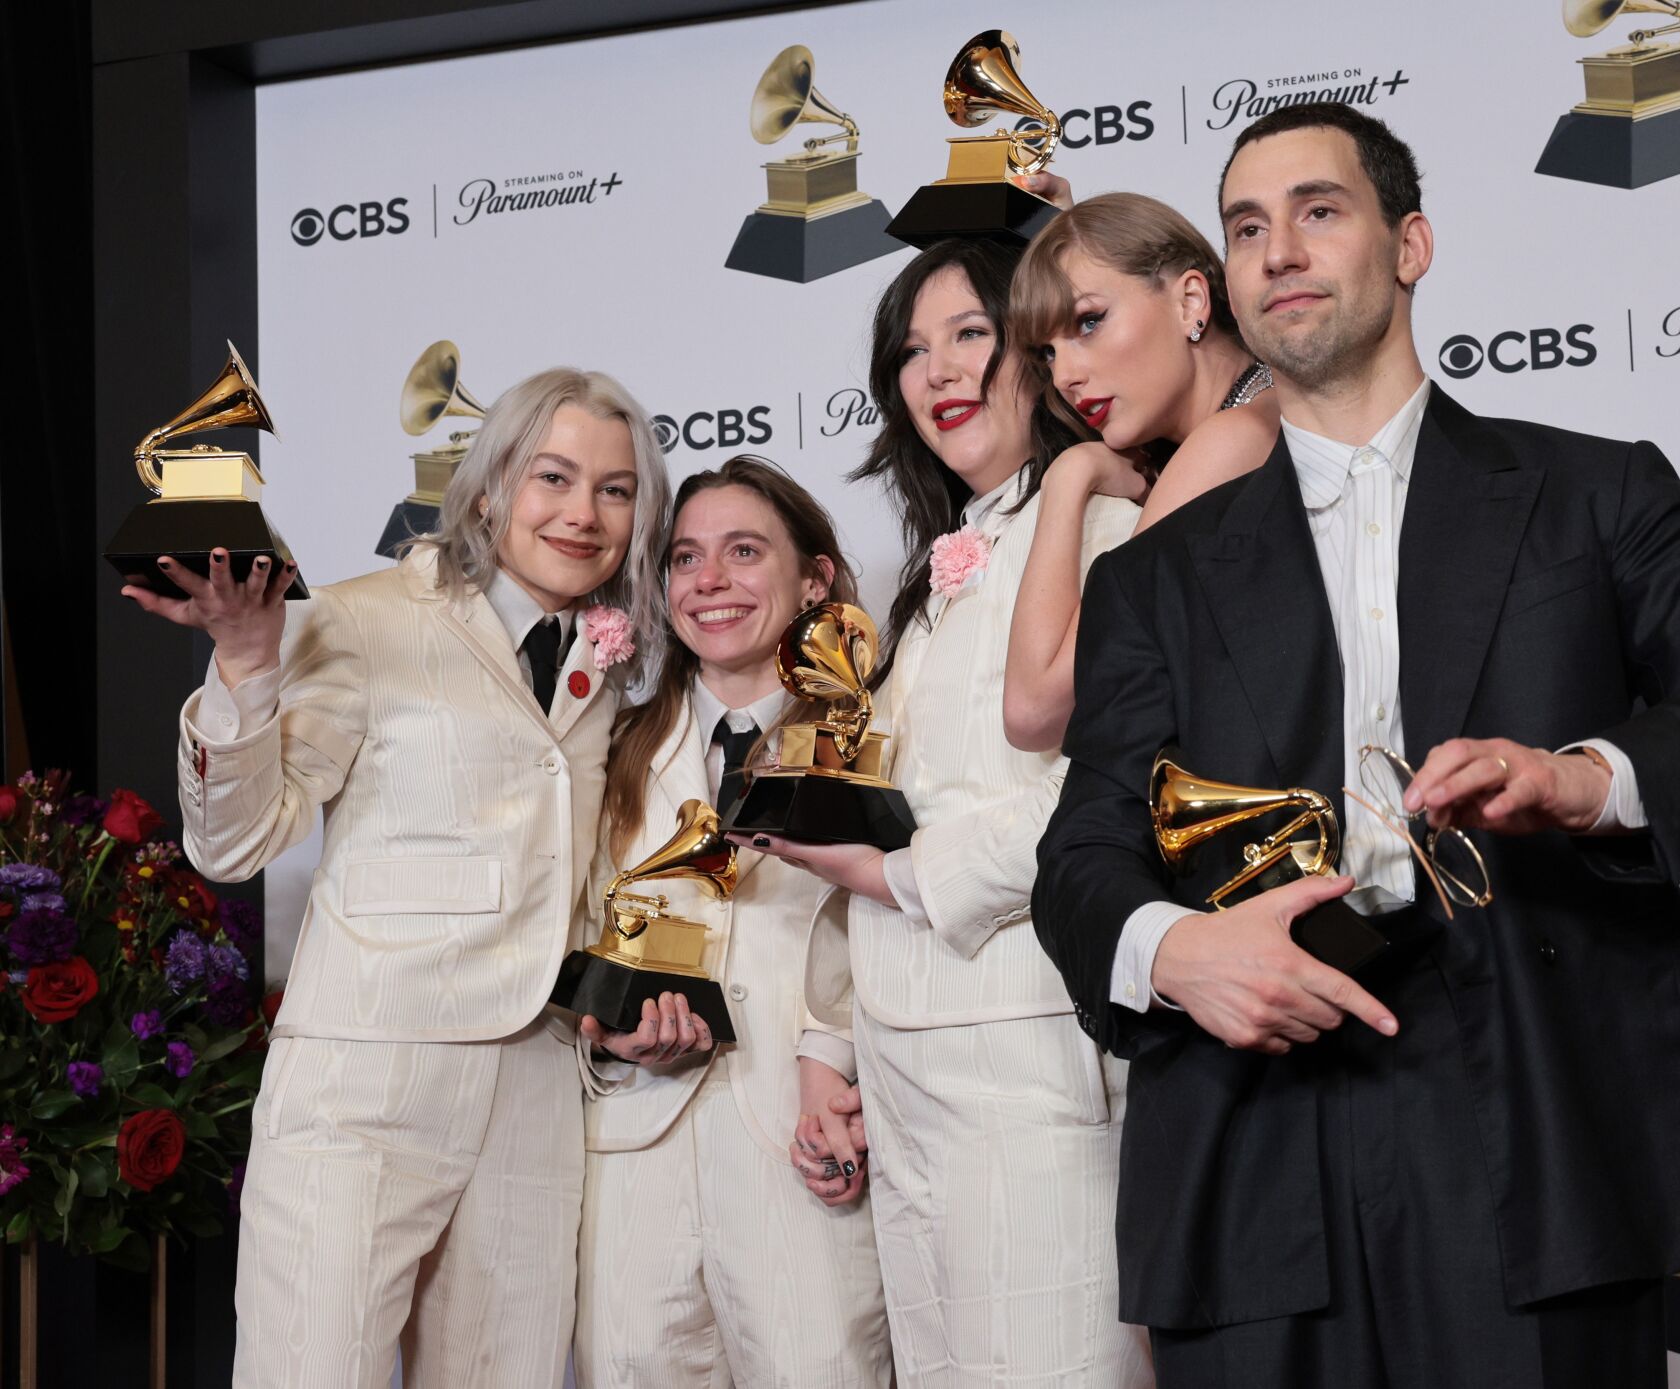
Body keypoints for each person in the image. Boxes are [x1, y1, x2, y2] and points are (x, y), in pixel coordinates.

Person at [1032, 101, 1680, 1388]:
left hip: (1540, 1118)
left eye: (1318, 211)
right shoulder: (1155, 579)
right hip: (1252, 1141)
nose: (1278, 250)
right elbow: (1079, 859)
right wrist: (1180, 951)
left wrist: (1589, 780)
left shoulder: (1594, 489)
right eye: (1247, 227)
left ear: (1410, 244)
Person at [124, 367, 669, 1389]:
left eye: (616, 489)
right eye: (554, 477)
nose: (584, 513)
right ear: (492, 484)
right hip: (365, 1088)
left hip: (536, 1093)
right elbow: (237, 844)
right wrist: (246, 668)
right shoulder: (366, 619)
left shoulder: (615, 661)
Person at [749, 236, 1153, 1387]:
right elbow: (887, 807)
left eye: (967, 334)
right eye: (910, 352)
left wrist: (892, 876)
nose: (937, 372)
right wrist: (831, 1047)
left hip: (1032, 1057)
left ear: (1034, 347)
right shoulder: (932, 577)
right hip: (906, 1068)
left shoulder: (1108, 531)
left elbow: (1101, 793)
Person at [572, 455, 891, 1387]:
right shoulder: (610, 749)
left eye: (744, 551)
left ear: (814, 578)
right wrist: (610, 1040)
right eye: (683, 558)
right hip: (632, 1173)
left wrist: (836, 1059)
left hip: (806, 1155)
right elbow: (573, 949)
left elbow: (900, 925)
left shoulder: (870, 733)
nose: (708, 582)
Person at [1002, 192, 1280, 752]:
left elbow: (1033, 712)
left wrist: (1069, 477)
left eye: (1089, 322)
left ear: (1191, 300)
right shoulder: (1256, 414)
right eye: (1048, 353)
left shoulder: (1232, 440)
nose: (1066, 377)